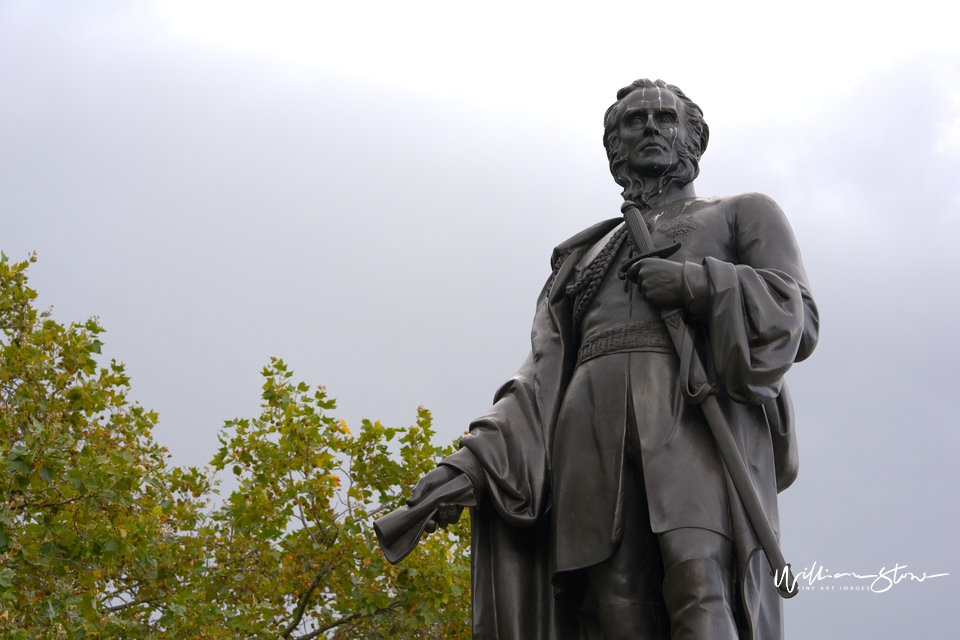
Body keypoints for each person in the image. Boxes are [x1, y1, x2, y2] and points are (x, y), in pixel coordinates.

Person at [405, 79, 819, 640]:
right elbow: (539, 376)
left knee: (701, 582)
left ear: (692, 137)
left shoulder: (742, 212)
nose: (650, 127)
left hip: (689, 411)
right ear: (615, 147)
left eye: (665, 118)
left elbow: (797, 316)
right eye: (634, 120)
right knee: (611, 606)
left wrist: (695, 285)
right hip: (588, 420)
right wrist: (472, 464)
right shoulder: (585, 255)